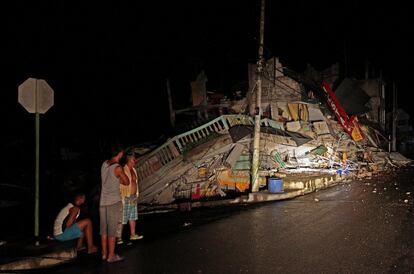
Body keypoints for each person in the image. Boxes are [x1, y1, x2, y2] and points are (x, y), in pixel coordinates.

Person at [100, 146, 130, 263]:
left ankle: (104, 253)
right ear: (120, 153)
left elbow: (107, 181)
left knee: (104, 230)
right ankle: (111, 256)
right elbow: (126, 182)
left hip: (103, 202)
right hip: (113, 202)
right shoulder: (118, 168)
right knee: (112, 231)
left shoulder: (104, 164)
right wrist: (121, 176)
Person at [117, 150, 143, 244]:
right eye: (133, 159)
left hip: (133, 196)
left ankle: (133, 234)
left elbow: (135, 183)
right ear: (128, 159)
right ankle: (118, 237)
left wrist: (136, 194)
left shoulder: (134, 169)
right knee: (123, 218)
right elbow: (119, 182)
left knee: (132, 216)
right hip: (125, 196)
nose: (135, 160)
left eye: (134, 159)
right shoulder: (123, 169)